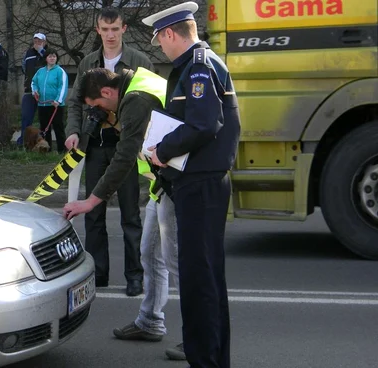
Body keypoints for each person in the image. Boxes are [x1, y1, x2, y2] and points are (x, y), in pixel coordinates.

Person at [143, 2, 241, 367]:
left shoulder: (197, 67)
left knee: (199, 281)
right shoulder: (202, 63)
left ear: (170, 33)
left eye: (160, 40)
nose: (161, 48)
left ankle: (206, 360)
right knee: (208, 279)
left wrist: (161, 150)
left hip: (200, 185)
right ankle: (214, 358)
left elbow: (203, 125)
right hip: (202, 183)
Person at [64, 7, 154, 296]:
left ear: (124, 29)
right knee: (93, 213)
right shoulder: (89, 62)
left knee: (130, 214)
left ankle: (135, 276)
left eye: (116, 29)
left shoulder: (140, 61)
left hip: (126, 146)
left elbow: (151, 102)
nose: (111, 35)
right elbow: (75, 102)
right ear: (98, 31)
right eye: (105, 29)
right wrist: (73, 131)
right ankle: (97, 273)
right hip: (95, 146)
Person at [30, 50, 68, 154]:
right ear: (46, 58)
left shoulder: (60, 71)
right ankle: (46, 149)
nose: (52, 58)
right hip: (42, 104)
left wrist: (58, 100)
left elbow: (63, 86)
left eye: (54, 56)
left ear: (56, 59)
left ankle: (62, 150)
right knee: (44, 128)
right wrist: (35, 91)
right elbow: (34, 82)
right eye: (50, 56)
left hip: (55, 105)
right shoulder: (40, 71)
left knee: (58, 127)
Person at [17, 33, 48, 145]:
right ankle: (24, 142)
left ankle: (44, 143)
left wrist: (41, 51)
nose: (37, 44)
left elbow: (51, 65)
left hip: (43, 92)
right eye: (35, 41)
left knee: (44, 119)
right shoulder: (29, 53)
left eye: (39, 42)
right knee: (26, 118)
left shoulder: (47, 53)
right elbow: (24, 67)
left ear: (44, 43)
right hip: (29, 91)